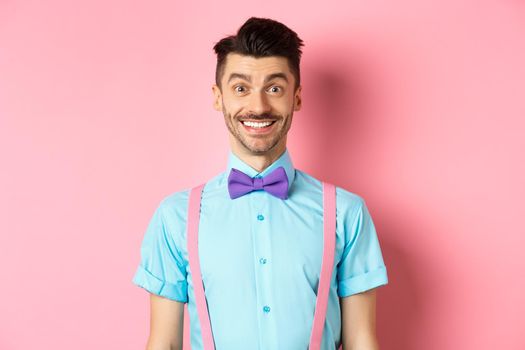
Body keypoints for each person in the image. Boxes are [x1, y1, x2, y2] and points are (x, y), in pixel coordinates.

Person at [132, 17, 389, 350]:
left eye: (274, 88)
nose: (258, 106)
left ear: (296, 98)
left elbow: (361, 341)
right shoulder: (175, 217)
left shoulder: (346, 213)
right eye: (241, 88)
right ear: (218, 97)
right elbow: (163, 343)